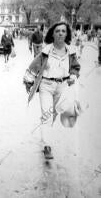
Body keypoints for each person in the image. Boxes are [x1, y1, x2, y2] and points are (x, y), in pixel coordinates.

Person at [23, 21, 81, 160]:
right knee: (47, 115)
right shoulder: (45, 51)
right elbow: (33, 67)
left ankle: (45, 131)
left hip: (62, 86)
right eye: (57, 31)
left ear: (66, 34)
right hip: (46, 86)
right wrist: (28, 81)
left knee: (53, 115)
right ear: (53, 34)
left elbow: (75, 67)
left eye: (63, 31)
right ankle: (47, 146)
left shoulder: (71, 52)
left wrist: (73, 75)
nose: (60, 33)